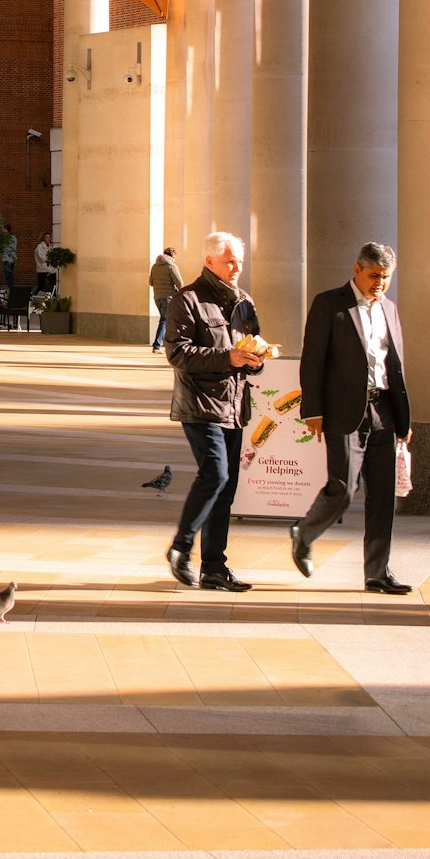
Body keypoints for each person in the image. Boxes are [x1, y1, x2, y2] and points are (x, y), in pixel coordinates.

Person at [291, 241, 413, 594]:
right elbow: (312, 360)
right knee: (343, 487)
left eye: (386, 277)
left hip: (384, 411)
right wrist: (312, 409)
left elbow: (397, 366)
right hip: (343, 411)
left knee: (383, 496)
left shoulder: (390, 309)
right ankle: (305, 532)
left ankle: (377, 572)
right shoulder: (329, 304)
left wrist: (405, 421)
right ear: (357, 269)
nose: (380, 283)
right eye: (374, 275)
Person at [164, 231, 264, 592]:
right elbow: (177, 353)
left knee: (227, 488)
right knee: (216, 475)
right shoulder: (186, 300)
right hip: (200, 405)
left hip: (235, 406)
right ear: (210, 261)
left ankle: (214, 568)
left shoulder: (244, 302)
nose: (237, 267)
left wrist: (255, 359)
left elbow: (251, 349)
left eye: (240, 261)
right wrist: (229, 357)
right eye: (230, 261)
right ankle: (181, 547)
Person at [149, 246, 183, 354]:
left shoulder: (154, 266)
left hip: (157, 297)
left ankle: (167, 344)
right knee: (165, 321)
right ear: (172, 255)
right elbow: (180, 284)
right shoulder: (171, 266)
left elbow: (150, 282)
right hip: (168, 297)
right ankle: (157, 346)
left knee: (166, 320)